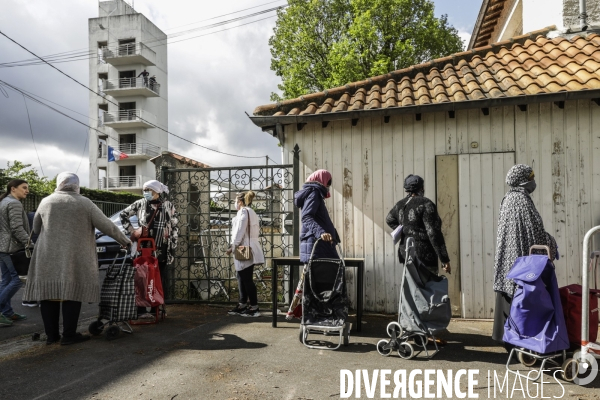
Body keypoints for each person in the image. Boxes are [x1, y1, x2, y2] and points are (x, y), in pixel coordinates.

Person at [22, 173, 131, 345]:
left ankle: (52, 336)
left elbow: (35, 229)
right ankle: (69, 335)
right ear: (76, 185)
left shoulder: (46, 201)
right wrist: (125, 241)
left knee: (47, 294)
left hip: (46, 255)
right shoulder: (85, 203)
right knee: (72, 292)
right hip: (75, 255)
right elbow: (107, 225)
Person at [492, 164, 557, 349]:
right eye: (531, 177)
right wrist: (551, 243)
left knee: (507, 295)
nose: (533, 181)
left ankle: (507, 338)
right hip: (520, 260)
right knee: (521, 298)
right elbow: (535, 231)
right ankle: (523, 340)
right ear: (523, 180)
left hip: (507, 260)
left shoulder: (507, 199)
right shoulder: (522, 200)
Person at [285, 169, 340, 319]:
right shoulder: (314, 193)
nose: (327, 187)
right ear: (320, 180)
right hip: (317, 246)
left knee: (316, 284)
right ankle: (317, 316)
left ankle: (316, 315)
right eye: (327, 183)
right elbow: (307, 217)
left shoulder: (315, 193)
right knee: (321, 284)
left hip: (319, 245)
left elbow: (318, 218)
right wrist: (321, 232)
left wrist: (333, 235)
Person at [120, 179, 178, 319]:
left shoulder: (168, 205)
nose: (146, 193)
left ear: (157, 192)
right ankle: (140, 310)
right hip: (143, 248)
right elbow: (123, 215)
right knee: (140, 277)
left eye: (149, 190)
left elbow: (175, 225)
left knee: (157, 279)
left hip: (161, 249)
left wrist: (173, 244)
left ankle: (154, 309)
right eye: (144, 190)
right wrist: (132, 231)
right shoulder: (139, 203)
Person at [386, 174, 451, 276]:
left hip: (406, 255)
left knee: (411, 289)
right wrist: (444, 259)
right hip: (424, 257)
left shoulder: (400, 204)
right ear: (421, 188)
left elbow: (389, 219)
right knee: (427, 290)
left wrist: (404, 230)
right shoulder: (426, 204)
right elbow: (433, 233)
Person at [227, 191, 265, 317]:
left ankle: (254, 307)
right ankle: (242, 304)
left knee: (246, 278)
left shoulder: (243, 212)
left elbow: (239, 231)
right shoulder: (252, 212)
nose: (234, 204)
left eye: (235, 202)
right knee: (241, 277)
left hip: (243, 248)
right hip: (248, 246)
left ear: (240, 202)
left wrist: (232, 247)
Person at [0, 179, 31, 326]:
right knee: (17, 280)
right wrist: (30, 244)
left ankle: (7, 313)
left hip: (2, 247)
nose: (27, 190)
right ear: (13, 189)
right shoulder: (14, 203)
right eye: (24, 187)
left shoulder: (4, 201)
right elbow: (17, 228)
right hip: (11, 248)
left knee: (6, 280)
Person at [22, 209, 40, 307]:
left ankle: (28, 299)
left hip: (30, 246)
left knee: (31, 274)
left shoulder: (29, 215)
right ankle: (39, 298)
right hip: (39, 245)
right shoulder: (41, 215)